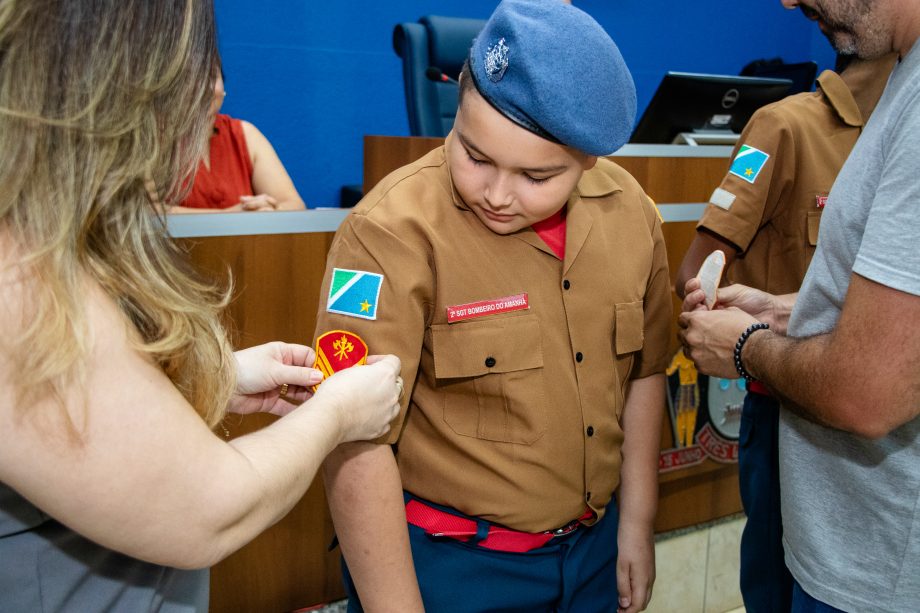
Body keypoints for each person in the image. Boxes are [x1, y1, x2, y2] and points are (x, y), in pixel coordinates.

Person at [0, 1, 402, 611]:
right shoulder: (20, 283)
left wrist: (215, 376)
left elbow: (90, 416)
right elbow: (207, 510)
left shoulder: (44, 246)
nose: (214, 90)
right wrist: (339, 414)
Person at [315, 2, 672, 611]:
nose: (498, 195)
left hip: (592, 554)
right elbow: (351, 442)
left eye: (537, 177)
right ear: (457, 101)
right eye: (475, 156)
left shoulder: (631, 213)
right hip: (450, 570)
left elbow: (645, 371)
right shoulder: (390, 233)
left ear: (587, 160)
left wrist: (637, 521)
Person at [679, 0, 920, 610]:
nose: (788, 2)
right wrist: (789, 311)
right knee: (769, 576)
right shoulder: (785, 125)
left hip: (875, 545)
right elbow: (701, 264)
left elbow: (870, 387)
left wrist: (744, 344)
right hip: (789, 413)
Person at [168, 71, 305, 213]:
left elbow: (295, 206)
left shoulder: (244, 134)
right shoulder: (153, 142)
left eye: (211, 76)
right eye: (190, 76)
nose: (203, 87)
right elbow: (148, 214)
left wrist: (267, 211)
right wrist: (232, 217)